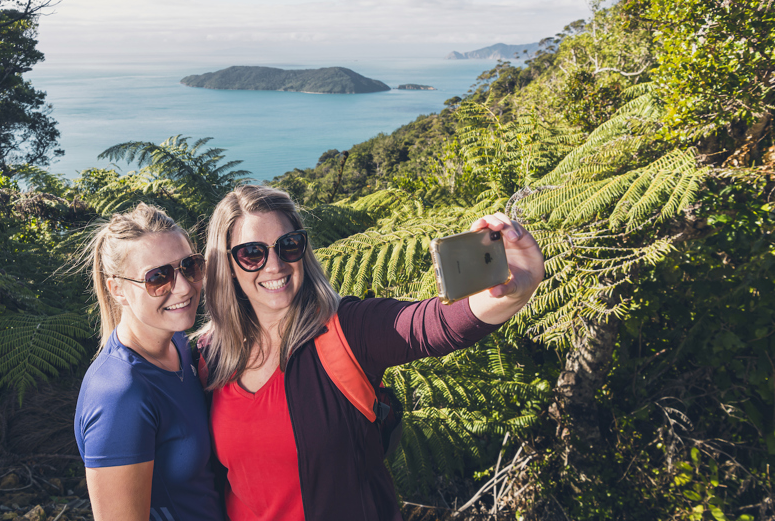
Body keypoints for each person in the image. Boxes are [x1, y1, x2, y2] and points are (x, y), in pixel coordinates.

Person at [197, 185, 545, 521]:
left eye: (289, 245)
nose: (274, 265)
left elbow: (434, 324)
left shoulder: (346, 329)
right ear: (227, 264)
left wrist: (514, 290)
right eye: (252, 253)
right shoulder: (205, 359)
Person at [74, 203, 222, 521]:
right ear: (118, 289)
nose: (183, 287)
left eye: (189, 266)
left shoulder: (180, 346)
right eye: (158, 277)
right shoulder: (119, 394)